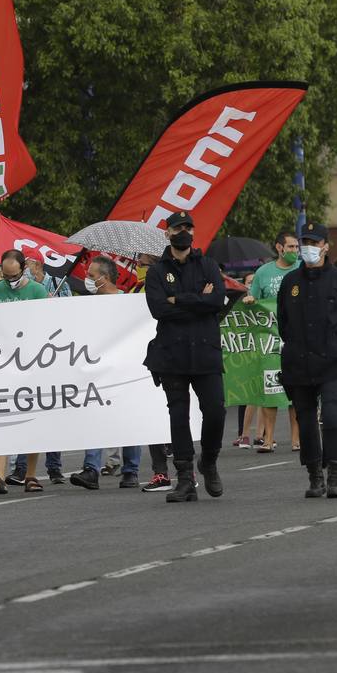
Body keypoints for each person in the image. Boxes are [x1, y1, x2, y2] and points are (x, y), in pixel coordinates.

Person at [142, 210, 227, 503]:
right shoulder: (155, 271)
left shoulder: (208, 265)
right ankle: (185, 478)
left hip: (205, 351)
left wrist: (179, 298)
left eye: (189, 227)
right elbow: (158, 309)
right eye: (179, 228)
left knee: (216, 411)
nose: (185, 232)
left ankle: (210, 460)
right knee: (178, 416)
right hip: (172, 354)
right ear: (167, 232)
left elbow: (216, 300)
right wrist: (198, 299)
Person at [277, 223, 337, 498]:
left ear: (326, 246)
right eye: (305, 242)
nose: (309, 247)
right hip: (298, 363)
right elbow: (283, 322)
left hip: (332, 362)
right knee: (306, 421)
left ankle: (335, 474)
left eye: (315, 242)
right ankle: (315, 476)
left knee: (333, 418)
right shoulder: (291, 282)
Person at [69, 258, 142, 490]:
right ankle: (91, 468)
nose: (87, 280)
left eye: (91, 275)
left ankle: (130, 470)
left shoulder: (129, 302)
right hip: (96, 370)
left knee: (130, 419)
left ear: (105, 278)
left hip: (125, 369)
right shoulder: (86, 305)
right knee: (95, 417)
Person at [0, 250, 46, 495]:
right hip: (3, 363)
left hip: (33, 362)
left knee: (32, 418)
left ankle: (30, 474)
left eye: (14, 275)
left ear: (24, 267)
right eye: (5, 276)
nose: (10, 280)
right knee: (2, 418)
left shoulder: (38, 292)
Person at [242, 231, 301, 454]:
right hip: (269, 340)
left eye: (297, 247)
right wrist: (250, 299)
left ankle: (296, 440)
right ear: (279, 248)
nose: (295, 251)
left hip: (297, 339)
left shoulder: (302, 270)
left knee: (297, 393)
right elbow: (253, 297)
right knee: (271, 391)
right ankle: (268, 439)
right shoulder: (263, 272)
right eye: (291, 247)